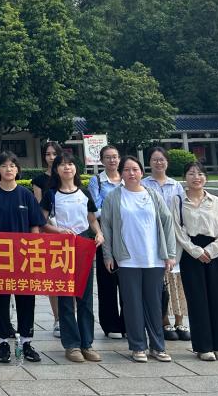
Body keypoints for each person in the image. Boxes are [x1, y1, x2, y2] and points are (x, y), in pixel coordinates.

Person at [100, 156, 177, 363]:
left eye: (135, 169)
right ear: (121, 174)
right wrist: (108, 255)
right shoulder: (114, 197)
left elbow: (167, 222)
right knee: (132, 305)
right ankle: (138, 346)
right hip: (127, 260)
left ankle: (158, 347)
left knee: (154, 304)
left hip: (153, 258)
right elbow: (106, 227)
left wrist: (170, 254)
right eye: (126, 170)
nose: (131, 173)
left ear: (142, 172)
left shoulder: (152, 195)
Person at [0, 151, 46, 364]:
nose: (8, 169)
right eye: (4, 166)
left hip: (24, 258)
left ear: (17, 169)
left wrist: (34, 253)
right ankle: (3, 343)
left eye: (12, 165)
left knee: (26, 299)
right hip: (0, 258)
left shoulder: (26, 195)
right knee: (0, 300)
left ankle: (26, 341)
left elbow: (35, 226)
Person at [39, 151, 103, 363]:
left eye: (70, 164)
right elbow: (42, 222)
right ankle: (72, 345)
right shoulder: (51, 195)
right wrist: (58, 232)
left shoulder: (84, 193)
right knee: (66, 297)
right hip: (62, 247)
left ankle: (87, 343)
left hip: (84, 245)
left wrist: (99, 233)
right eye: (62, 164)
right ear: (56, 170)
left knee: (85, 296)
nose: (67, 167)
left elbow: (92, 219)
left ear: (76, 168)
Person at [171, 162, 218, 362]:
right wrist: (196, 251)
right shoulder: (178, 200)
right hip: (191, 254)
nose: (196, 177)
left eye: (200, 174)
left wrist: (212, 251)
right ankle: (203, 346)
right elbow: (177, 229)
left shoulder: (215, 201)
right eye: (191, 173)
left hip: (214, 253)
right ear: (184, 177)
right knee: (197, 300)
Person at [143, 146, 190, 342]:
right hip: (152, 236)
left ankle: (180, 320)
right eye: (154, 159)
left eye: (161, 159)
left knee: (177, 279)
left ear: (167, 162)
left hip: (174, 237)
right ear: (149, 162)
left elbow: (182, 210)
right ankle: (164, 321)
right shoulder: (144, 184)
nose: (158, 163)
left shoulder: (175, 185)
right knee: (161, 280)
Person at [88, 144, 126, 339]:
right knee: (107, 280)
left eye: (115, 156)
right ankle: (110, 324)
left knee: (127, 281)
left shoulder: (127, 178)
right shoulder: (96, 181)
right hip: (104, 234)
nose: (112, 160)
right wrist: (120, 211)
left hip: (127, 235)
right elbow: (95, 210)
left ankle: (128, 322)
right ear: (102, 160)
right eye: (108, 157)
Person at [31, 141, 62, 338]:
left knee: (70, 277)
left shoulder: (67, 176)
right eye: (48, 154)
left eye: (54, 154)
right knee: (54, 278)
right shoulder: (39, 180)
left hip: (70, 234)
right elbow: (38, 207)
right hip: (49, 232)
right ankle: (57, 318)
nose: (51, 157)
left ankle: (70, 316)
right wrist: (52, 226)